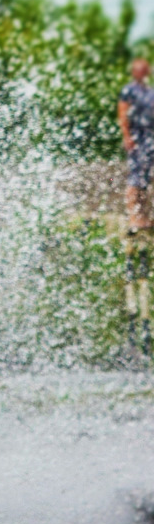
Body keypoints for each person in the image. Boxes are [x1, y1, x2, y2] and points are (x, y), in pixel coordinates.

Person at [118, 58, 154, 352]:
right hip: (138, 139)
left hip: (151, 138)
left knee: (149, 179)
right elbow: (123, 115)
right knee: (136, 181)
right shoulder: (129, 91)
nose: (144, 73)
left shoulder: (151, 92)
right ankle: (136, 217)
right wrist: (127, 136)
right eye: (140, 69)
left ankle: (147, 217)